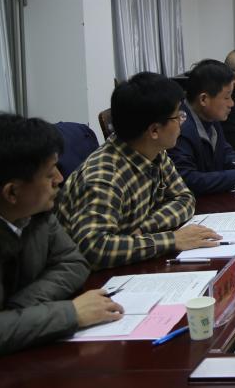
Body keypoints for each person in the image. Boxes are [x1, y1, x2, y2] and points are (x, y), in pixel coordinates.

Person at [0, 113, 124, 357]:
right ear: (12, 192)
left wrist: (20, 308)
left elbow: (73, 262)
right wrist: (70, 314)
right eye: (49, 174)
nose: (60, 179)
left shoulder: (37, 213)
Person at [57, 73, 221, 269]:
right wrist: (171, 240)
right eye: (178, 116)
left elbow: (184, 198)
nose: (182, 121)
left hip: (132, 264)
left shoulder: (155, 151)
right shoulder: (104, 177)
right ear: (154, 131)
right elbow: (93, 248)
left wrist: (145, 228)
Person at [169, 59, 235, 195]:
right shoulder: (179, 127)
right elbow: (187, 180)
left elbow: (225, 150)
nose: (232, 103)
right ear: (204, 99)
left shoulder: (210, 116)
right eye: (227, 97)